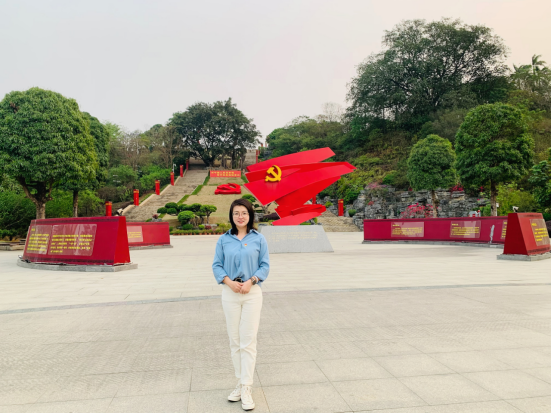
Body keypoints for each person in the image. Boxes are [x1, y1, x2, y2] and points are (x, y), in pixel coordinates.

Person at [212, 199, 270, 411]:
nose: (240, 216)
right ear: (232, 216)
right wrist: (228, 282)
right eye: (236, 213)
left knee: (248, 341)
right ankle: (240, 381)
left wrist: (251, 281)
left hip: (252, 293)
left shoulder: (259, 238)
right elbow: (217, 265)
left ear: (250, 215)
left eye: (244, 212)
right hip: (230, 293)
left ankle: (247, 387)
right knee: (234, 341)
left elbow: (265, 265)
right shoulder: (224, 240)